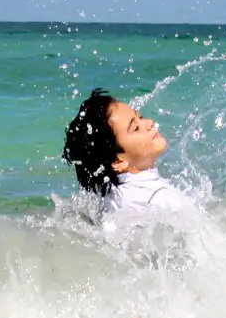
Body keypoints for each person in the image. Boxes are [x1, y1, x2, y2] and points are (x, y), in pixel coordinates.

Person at [62, 87, 188, 225]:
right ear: (117, 162)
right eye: (135, 128)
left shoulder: (113, 198)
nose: (149, 122)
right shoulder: (163, 200)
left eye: (140, 117)